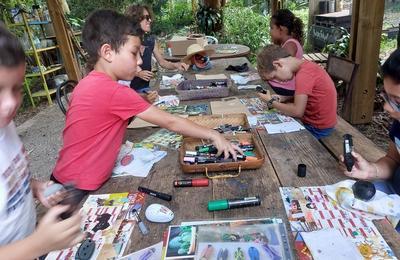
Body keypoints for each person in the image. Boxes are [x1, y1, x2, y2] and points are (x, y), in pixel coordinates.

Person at [51, 10, 241, 198]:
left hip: (63, 178)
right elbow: (171, 122)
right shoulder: (114, 91)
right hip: (77, 189)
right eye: (134, 53)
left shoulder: (89, 82)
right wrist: (214, 134)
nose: (140, 61)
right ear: (107, 52)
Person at [0, 25, 83, 258]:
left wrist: (34, 187)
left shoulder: (5, 124)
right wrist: (39, 243)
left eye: (16, 89)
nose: (10, 104)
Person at [339, 49, 400, 199]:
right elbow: (393, 160)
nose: (386, 107)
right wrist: (371, 170)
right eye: (387, 96)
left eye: (398, 101)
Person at [257, 44, 337, 139]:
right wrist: (283, 98)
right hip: (316, 122)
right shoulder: (305, 66)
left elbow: (297, 112)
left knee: (275, 139)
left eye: (274, 76)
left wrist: (271, 101)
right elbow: (308, 94)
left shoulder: (304, 75)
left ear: (277, 64)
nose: (278, 80)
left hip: (318, 128)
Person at [125, 4, 189, 94]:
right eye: (146, 18)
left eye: (149, 17)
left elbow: (162, 62)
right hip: (128, 92)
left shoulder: (150, 41)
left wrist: (177, 65)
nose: (150, 20)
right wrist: (137, 73)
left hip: (145, 89)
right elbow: (117, 69)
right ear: (136, 20)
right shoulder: (124, 42)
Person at [268, 9, 304, 98]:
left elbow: (281, 68)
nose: (270, 32)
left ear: (281, 29)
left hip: (284, 89)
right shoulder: (285, 43)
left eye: (272, 28)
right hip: (280, 86)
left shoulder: (290, 45)